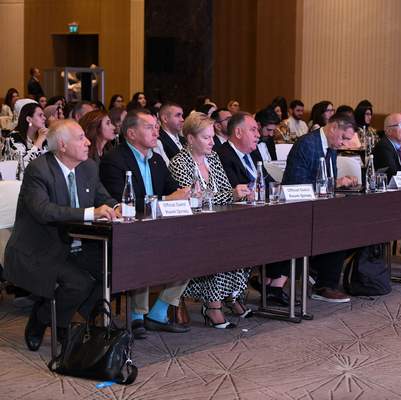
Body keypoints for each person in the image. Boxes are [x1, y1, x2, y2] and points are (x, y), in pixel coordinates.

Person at [3, 119, 119, 351]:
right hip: (40, 248)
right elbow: (44, 211)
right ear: (63, 146)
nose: (88, 142)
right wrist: (91, 213)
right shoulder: (39, 170)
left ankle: (63, 316)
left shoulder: (88, 167)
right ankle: (45, 319)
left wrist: (117, 208)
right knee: (79, 283)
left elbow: (103, 198)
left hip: (79, 244)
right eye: (80, 138)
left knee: (114, 272)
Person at [99, 109, 191, 337]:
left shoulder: (157, 160)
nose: (156, 131)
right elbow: (121, 203)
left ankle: (158, 313)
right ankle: (136, 316)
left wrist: (185, 193)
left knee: (191, 249)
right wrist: (166, 200)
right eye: (149, 127)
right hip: (129, 232)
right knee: (143, 247)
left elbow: (173, 191)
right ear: (131, 133)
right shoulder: (114, 160)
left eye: (156, 127)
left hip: (160, 227)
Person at [168, 114, 253, 328]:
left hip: (217, 220)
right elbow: (195, 198)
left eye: (212, 137)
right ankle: (213, 306)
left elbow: (222, 190)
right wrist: (231, 194)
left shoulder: (213, 157)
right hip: (190, 226)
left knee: (247, 237)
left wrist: (238, 193)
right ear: (190, 138)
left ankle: (232, 294)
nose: (212, 142)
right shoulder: (179, 162)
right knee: (220, 242)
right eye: (206, 138)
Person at [282, 112, 358, 302]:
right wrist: (335, 183)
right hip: (298, 207)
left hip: (320, 206)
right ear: (333, 128)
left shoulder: (330, 146)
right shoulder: (307, 144)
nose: (344, 143)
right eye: (343, 138)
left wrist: (341, 183)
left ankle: (318, 269)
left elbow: (327, 182)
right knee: (341, 229)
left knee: (359, 224)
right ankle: (324, 285)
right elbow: (296, 185)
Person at [216, 112, 272, 188]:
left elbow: (268, 181)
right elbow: (235, 189)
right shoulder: (222, 156)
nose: (258, 135)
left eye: (257, 130)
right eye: (253, 130)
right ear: (238, 133)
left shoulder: (254, 153)